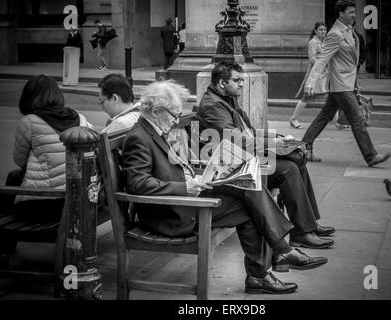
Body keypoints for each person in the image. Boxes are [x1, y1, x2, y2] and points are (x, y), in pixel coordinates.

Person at [122, 81, 328, 294]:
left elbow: (173, 167)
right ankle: (273, 261)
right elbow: (138, 184)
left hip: (188, 195)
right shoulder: (139, 138)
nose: (176, 121)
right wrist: (185, 186)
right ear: (156, 112)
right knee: (250, 203)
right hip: (171, 212)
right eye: (174, 115)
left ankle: (266, 268)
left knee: (249, 188)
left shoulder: (156, 128)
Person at [196, 62, 335, 249]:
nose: (242, 84)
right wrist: (273, 144)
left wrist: (278, 139)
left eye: (241, 80)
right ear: (222, 83)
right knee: (288, 169)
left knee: (296, 158)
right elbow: (237, 142)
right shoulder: (213, 105)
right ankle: (302, 232)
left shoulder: (227, 99)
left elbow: (251, 133)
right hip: (232, 170)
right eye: (237, 80)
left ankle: (308, 226)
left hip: (243, 160)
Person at [1, 75, 93, 253]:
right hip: (78, 200)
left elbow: (19, 161)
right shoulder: (79, 118)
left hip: (46, 205)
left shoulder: (29, 121)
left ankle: (4, 248)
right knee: (13, 177)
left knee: (10, 182)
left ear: (29, 97)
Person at [302, 0, 391, 167]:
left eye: (354, 12)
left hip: (346, 83)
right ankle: (371, 156)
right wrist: (310, 82)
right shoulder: (335, 33)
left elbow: (351, 61)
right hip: (341, 85)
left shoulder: (350, 31)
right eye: (350, 12)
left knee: (324, 117)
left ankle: (303, 147)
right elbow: (322, 60)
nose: (354, 15)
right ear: (341, 14)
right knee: (357, 119)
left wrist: (355, 83)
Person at [290, 22, 328, 130]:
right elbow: (312, 58)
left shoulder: (325, 42)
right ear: (315, 31)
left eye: (324, 30)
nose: (323, 32)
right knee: (306, 97)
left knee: (331, 98)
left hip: (325, 74)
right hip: (315, 75)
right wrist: (323, 65)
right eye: (320, 29)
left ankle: (337, 121)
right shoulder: (313, 42)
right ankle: (293, 119)